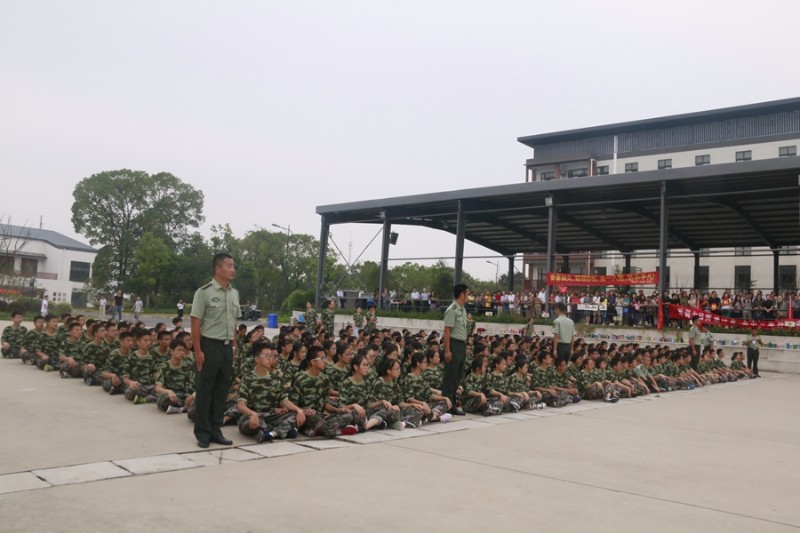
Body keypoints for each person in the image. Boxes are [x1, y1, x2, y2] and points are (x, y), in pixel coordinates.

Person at [191, 253, 241, 448]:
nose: (233, 269)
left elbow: (234, 321)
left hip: (227, 347)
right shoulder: (204, 292)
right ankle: (202, 432)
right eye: (229, 265)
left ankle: (215, 430)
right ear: (218, 268)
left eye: (233, 266)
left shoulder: (234, 293)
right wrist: (197, 350)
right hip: (209, 345)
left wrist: (235, 344)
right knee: (205, 390)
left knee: (221, 391)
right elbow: (196, 321)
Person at [237, 342, 304, 442]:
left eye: (271, 356)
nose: (270, 359)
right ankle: (284, 430)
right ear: (257, 359)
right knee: (245, 423)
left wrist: (299, 410)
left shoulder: (275, 379)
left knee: (294, 417)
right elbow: (241, 405)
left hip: (272, 415)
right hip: (255, 415)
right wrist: (252, 414)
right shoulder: (248, 378)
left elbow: (284, 400)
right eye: (266, 356)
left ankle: (271, 434)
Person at [442, 283, 468, 416]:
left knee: (458, 375)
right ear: (462, 294)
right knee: (450, 376)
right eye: (467, 293)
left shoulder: (462, 309)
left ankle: (452, 402)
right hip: (453, 344)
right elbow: (447, 331)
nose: (468, 296)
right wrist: (447, 350)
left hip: (461, 344)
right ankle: (447, 404)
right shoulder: (452, 309)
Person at [155, 338, 196, 414]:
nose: (182, 352)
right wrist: (168, 391)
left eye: (183, 350)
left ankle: (180, 407)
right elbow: (157, 388)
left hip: (184, 395)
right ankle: (183, 407)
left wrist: (191, 395)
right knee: (163, 399)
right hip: (171, 395)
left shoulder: (188, 365)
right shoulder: (164, 366)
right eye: (179, 350)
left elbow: (192, 384)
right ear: (171, 351)